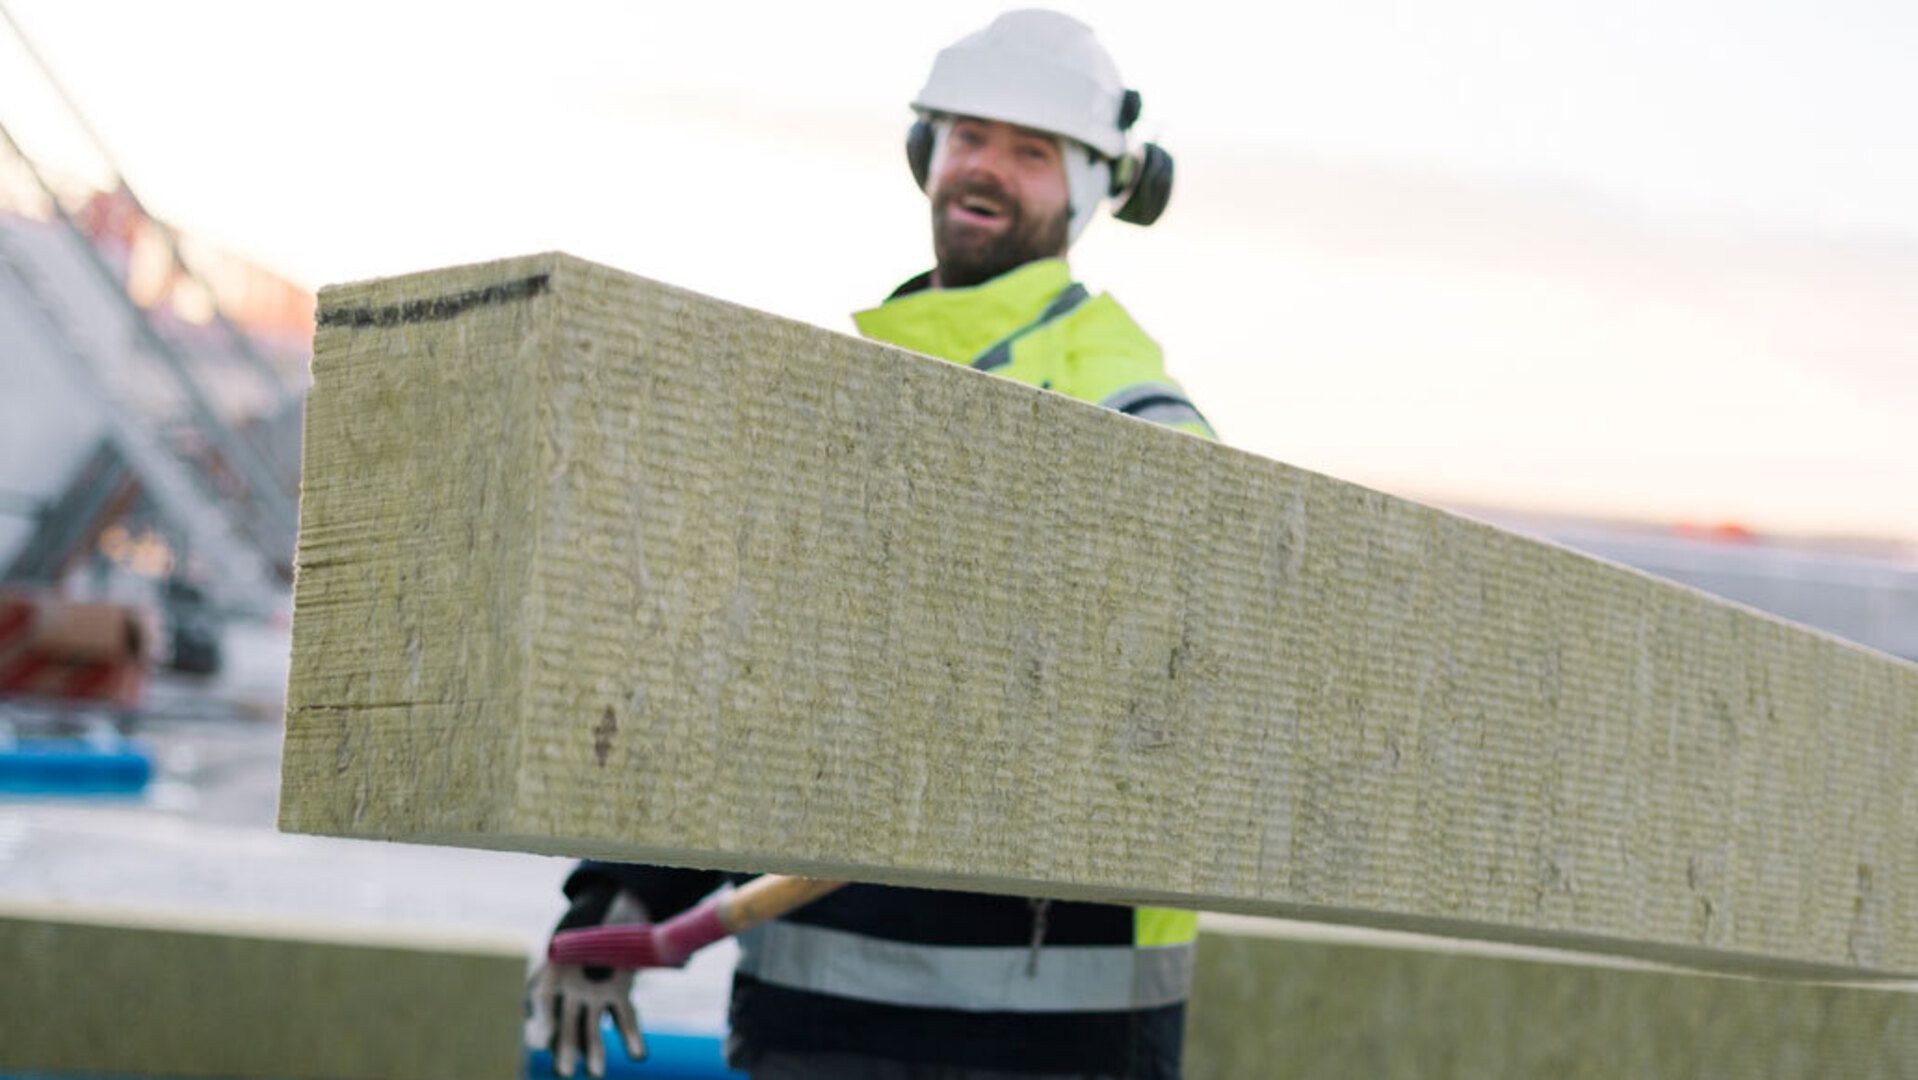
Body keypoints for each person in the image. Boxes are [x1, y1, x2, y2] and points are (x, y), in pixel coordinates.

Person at [526, 11, 1212, 1080]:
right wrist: (622, 896)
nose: (987, 167)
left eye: (1032, 150)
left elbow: (1169, 713)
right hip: (818, 1028)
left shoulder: (1131, 413)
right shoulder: (844, 406)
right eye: (968, 135)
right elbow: (748, 676)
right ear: (923, 153)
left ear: (1092, 189)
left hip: (1048, 1045)